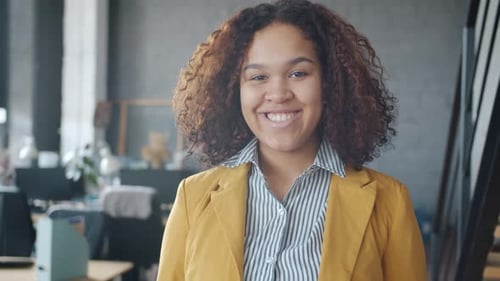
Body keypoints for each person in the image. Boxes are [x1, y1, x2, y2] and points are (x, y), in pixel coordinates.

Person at [157, 0, 427, 280]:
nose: (278, 93)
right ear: (234, 91)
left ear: (330, 83)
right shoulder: (193, 197)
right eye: (258, 76)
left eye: (298, 73)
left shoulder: (389, 202)